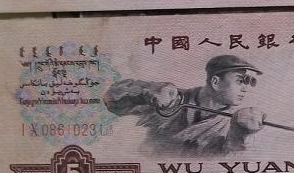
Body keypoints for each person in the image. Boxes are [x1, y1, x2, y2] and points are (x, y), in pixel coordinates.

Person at [103, 54, 267, 156]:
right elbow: (111, 100)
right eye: (240, 81)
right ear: (216, 82)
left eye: (249, 82)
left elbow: (224, 165)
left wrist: (241, 134)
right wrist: (146, 91)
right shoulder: (171, 99)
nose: (246, 88)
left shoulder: (236, 125)